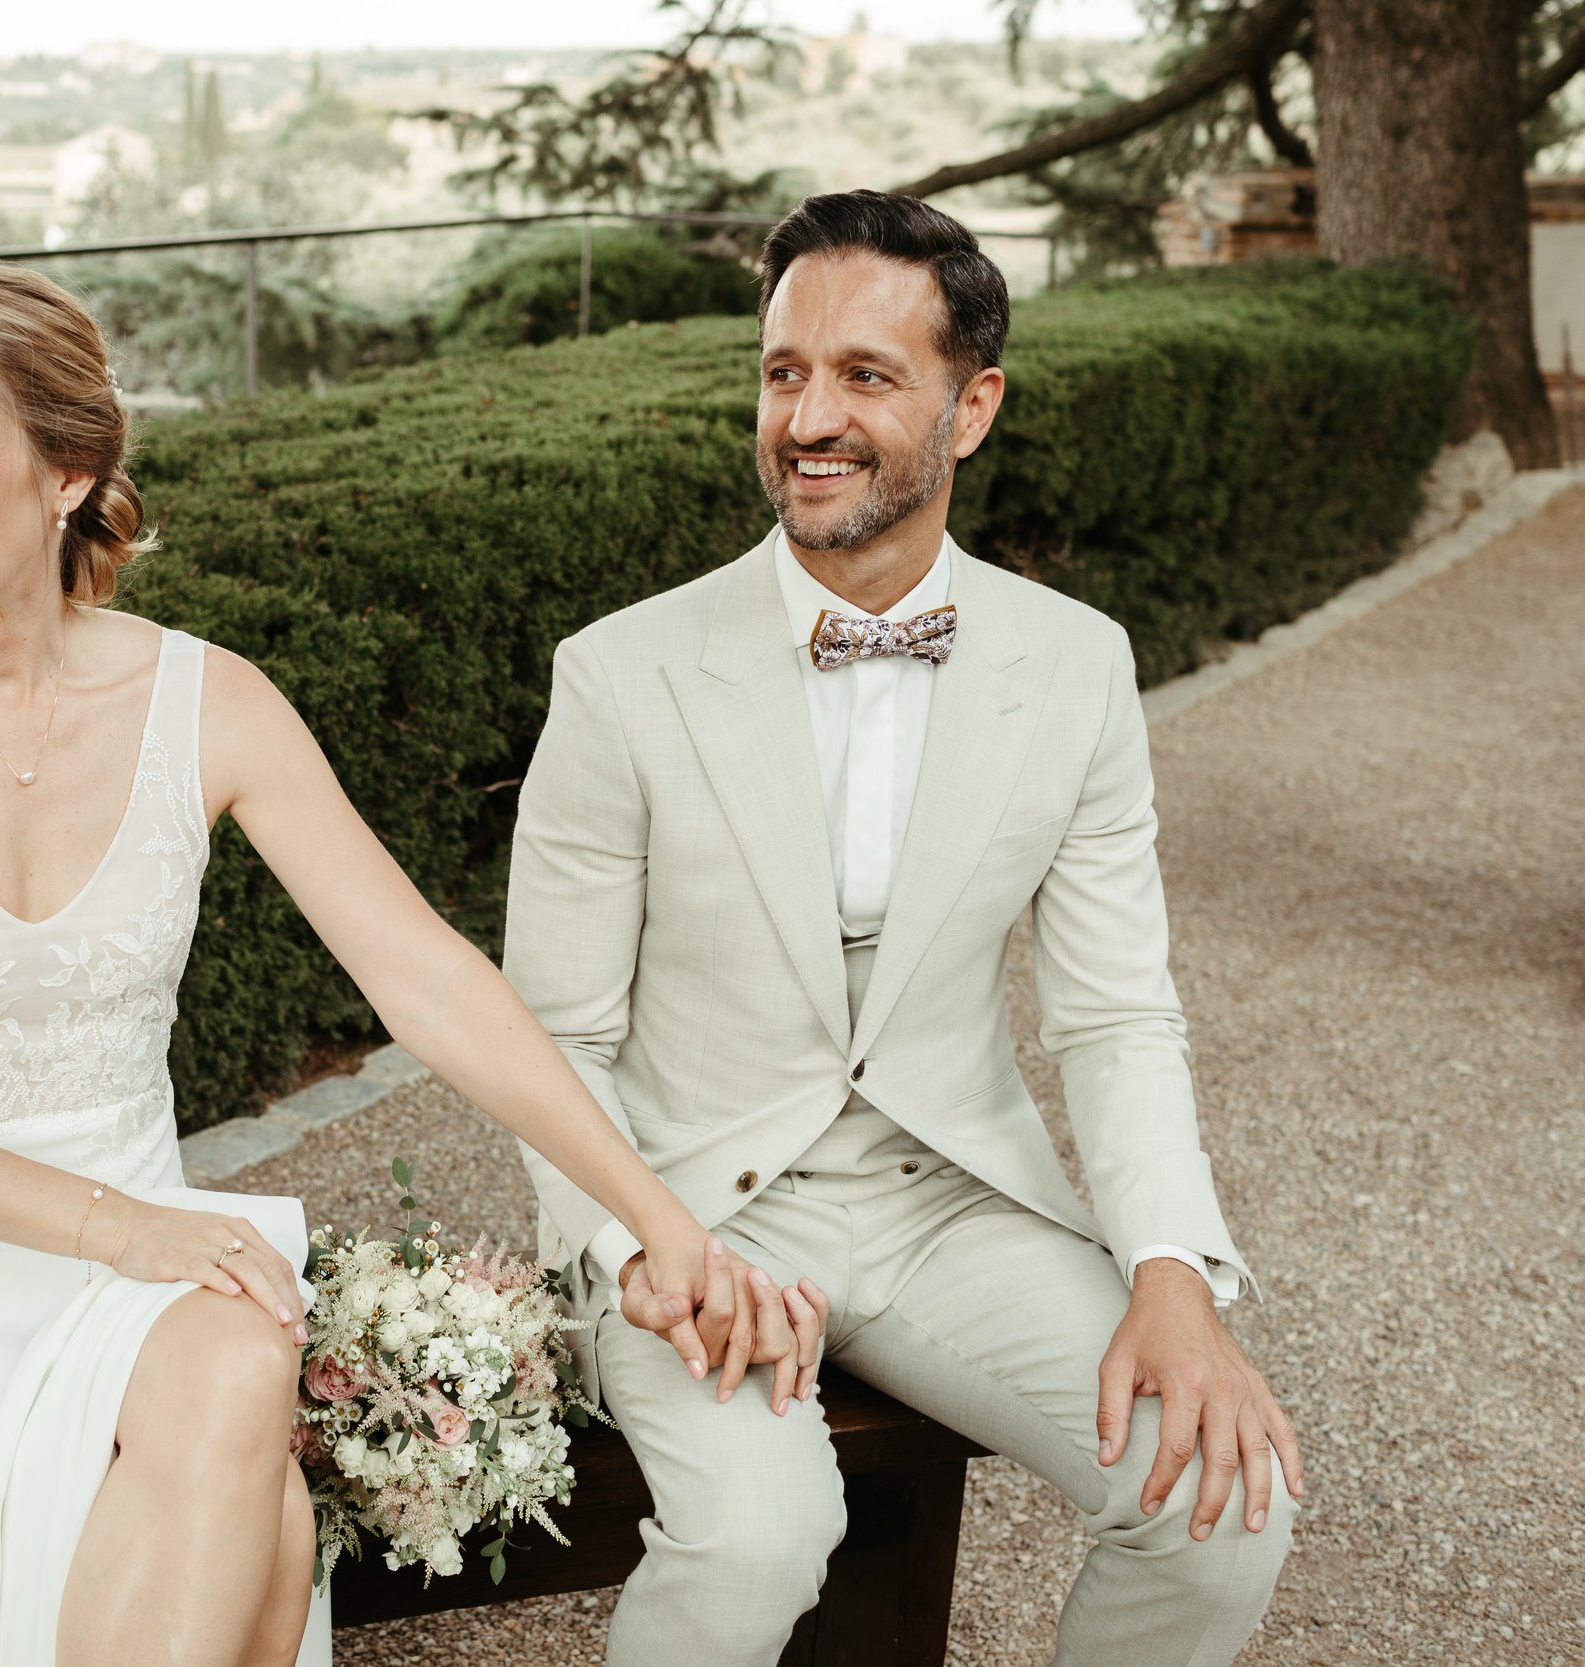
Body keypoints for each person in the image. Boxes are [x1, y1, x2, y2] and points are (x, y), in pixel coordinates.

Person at [0, 262, 821, 1667]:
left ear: (67, 474)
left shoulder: (206, 700)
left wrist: (661, 1222)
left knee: (239, 1354)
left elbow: (429, 980)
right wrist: (126, 1230)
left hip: (141, 1263)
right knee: (271, 1518)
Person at [505, 190, 1305, 1667]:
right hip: (695, 1208)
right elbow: (551, 1035)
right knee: (757, 1537)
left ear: (971, 407)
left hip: (952, 1203)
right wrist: (640, 1246)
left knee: (1221, 1509)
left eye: (865, 376)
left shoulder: (1076, 666)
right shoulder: (619, 675)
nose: (809, 419)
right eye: (784, 372)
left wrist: (1173, 1274)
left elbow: (1116, 1015)